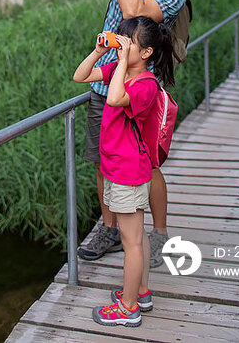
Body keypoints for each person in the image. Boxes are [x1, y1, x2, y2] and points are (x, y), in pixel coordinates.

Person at [66, 0, 185, 267]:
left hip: (141, 93)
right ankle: (109, 228)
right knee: (104, 163)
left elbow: (134, 9)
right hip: (105, 87)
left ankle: (160, 235)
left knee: (147, 164)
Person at [73, 16, 176, 326]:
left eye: (127, 41)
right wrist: (98, 51)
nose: (121, 43)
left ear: (145, 53)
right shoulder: (124, 71)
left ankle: (128, 308)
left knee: (131, 242)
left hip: (128, 171)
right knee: (136, 237)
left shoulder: (144, 84)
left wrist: (119, 63)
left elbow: (115, 98)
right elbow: (81, 76)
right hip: (120, 168)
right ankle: (141, 292)